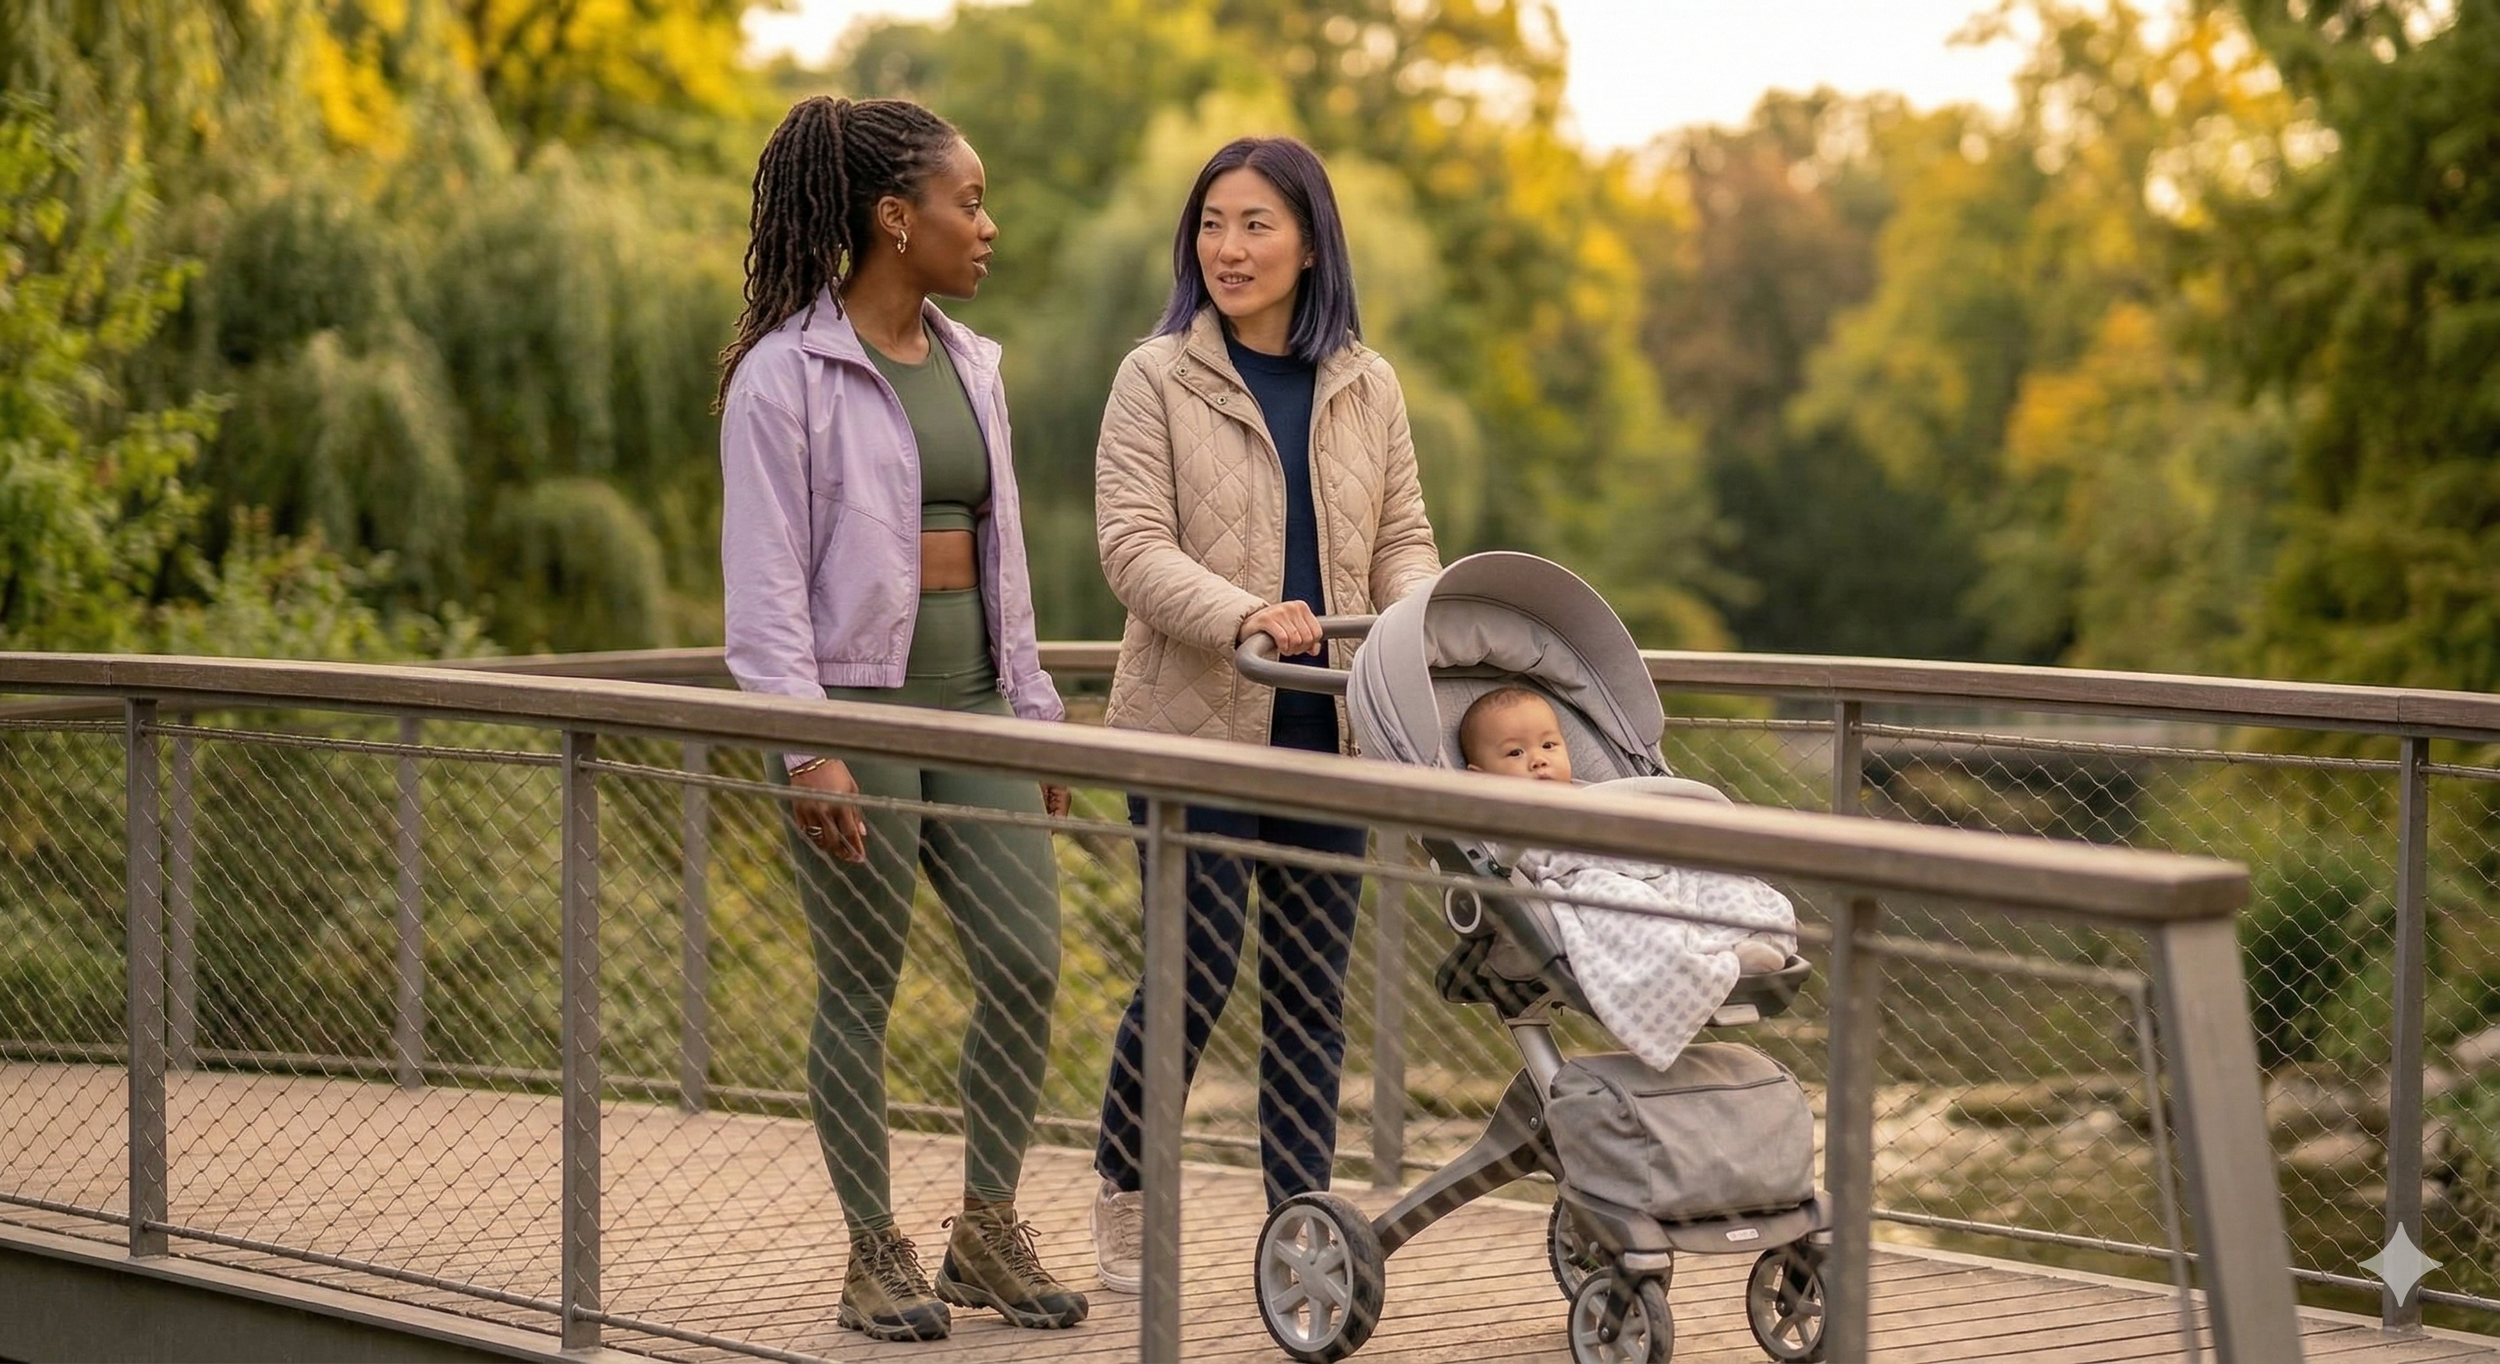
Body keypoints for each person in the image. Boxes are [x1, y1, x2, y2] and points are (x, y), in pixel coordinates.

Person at [715, 95, 1086, 1343]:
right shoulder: (785, 375)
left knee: (1027, 961)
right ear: (893, 217)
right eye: (966, 203)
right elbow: (764, 585)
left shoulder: (975, 365)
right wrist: (806, 744)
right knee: (860, 983)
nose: (987, 225)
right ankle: (874, 1251)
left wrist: (1032, 711)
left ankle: (986, 1226)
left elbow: (1006, 558)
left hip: (974, 706)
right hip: (854, 713)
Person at [1089, 135, 1441, 1291]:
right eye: (1211, 223)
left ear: (1309, 242)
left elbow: (1401, 538)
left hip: (1328, 728)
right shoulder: (1155, 377)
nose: (1227, 248)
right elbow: (1131, 546)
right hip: (1191, 727)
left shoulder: (1367, 382)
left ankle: (1303, 1233)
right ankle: (1126, 1183)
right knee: (1191, 971)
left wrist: (1424, 620)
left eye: (1254, 224)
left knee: (1308, 990)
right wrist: (1245, 612)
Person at [1458, 685, 1795, 1068]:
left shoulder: (1594, 792)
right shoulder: (1498, 815)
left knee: (1725, 880)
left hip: (1649, 864)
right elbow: (1527, 865)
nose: (1538, 760)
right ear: (1479, 778)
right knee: (1630, 905)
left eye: (1549, 746)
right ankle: (1693, 961)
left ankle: (1749, 941)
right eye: (1515, 753)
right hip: (1586, 876)